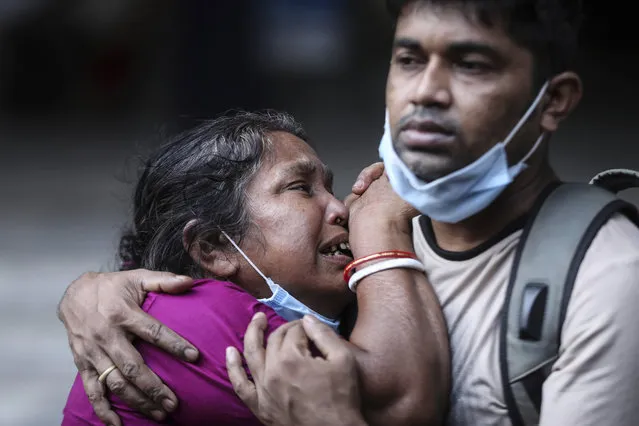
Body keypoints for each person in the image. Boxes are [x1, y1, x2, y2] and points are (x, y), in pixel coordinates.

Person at [57, 0, 639, 425]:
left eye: (472, 65)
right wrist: (89, 293)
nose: (426, 92)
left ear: (553, 101)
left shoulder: (605, 274)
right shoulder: (359, 255)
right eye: (409, 59)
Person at [59, 110, 449, 425]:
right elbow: (401, 403)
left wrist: (88, 288)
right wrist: (382, 224)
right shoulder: (192, 319)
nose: (341, 209)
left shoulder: (142, 300)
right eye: (301, 188)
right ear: (213, 248)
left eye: (330, 187)